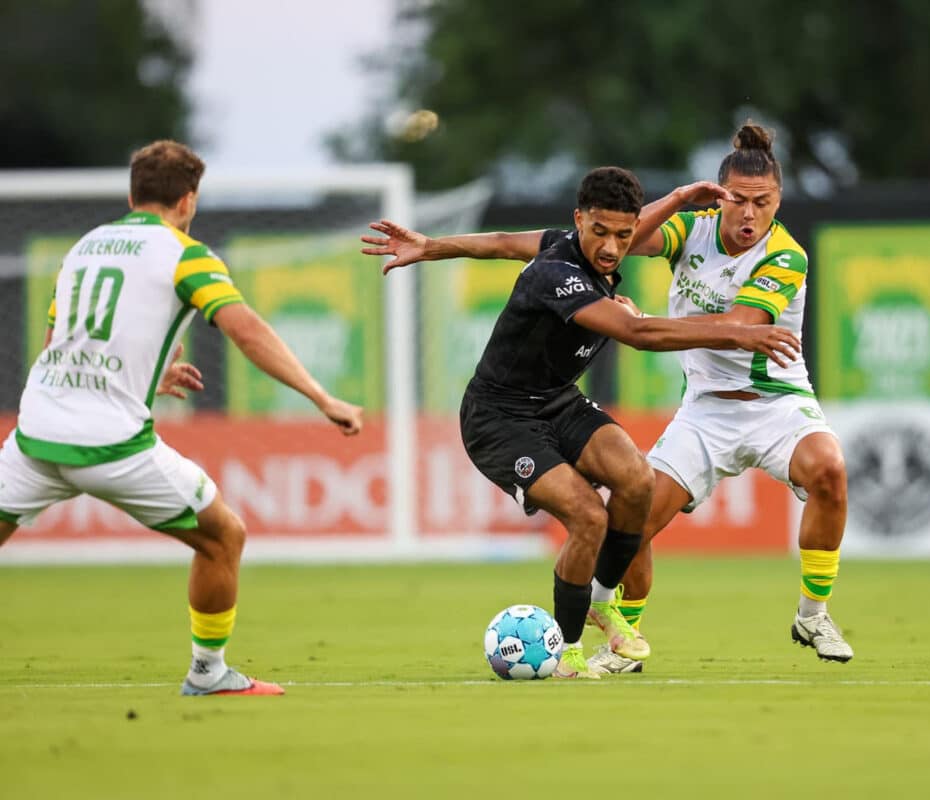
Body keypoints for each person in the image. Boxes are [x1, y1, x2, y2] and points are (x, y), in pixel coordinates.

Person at [360, 124, 854, 674]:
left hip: (774, 402)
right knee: (612, 519)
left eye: (761, 203)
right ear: (720, 198)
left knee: (812, 470)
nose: (748, 213)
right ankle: (596, 641)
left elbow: (520, 244)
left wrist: (430, 245)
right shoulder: (651, 243)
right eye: (737, 199)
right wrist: (671, 220)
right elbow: (652, 318)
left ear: (778, 202)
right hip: (640, 411)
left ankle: (812, 613)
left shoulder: (786, 257)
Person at [0, 140, 365, 696]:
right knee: (223, 537)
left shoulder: (85, 248)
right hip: (112, 446)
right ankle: (208, 673)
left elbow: (59, 343)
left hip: (36, 435)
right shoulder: (186, 254)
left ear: (132, 194)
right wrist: (322, 397)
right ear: (189, 200)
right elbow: (245, 329)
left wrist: (149, 375)